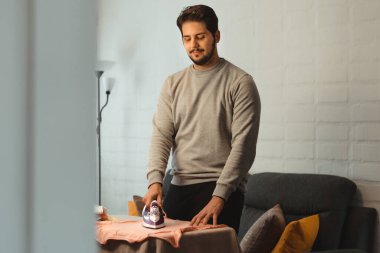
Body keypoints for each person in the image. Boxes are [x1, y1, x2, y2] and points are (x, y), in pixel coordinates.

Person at [143, 4, 260, 233]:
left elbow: (243, 148)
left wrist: (220, 197)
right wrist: (155, 180)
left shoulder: (241, 83)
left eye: (200, 37)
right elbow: (161, 135)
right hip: (178, 188)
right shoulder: (172, 84)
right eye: (187, 38)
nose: (193, 45)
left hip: (221, 192)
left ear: (216, 36)